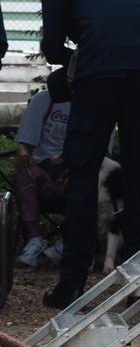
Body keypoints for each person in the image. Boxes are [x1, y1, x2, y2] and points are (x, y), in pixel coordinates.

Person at [40, 0, 140, 309]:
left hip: (100, 74)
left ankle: (72, 285)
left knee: (83, 174)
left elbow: (51, 47)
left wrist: (74, 58)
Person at [12, 72, 71, 268]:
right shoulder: (43, 100)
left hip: (76, 172)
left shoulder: (95, 105)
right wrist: (23, 155)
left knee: (87, 177)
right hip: (44, 172)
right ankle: (34, 241)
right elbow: (25, 143)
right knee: (23, 171)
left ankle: (69, 241)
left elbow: (102, 154)